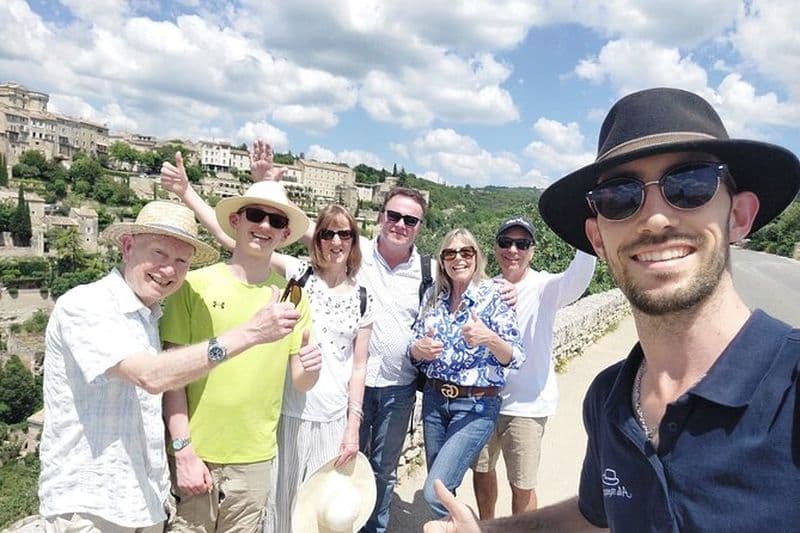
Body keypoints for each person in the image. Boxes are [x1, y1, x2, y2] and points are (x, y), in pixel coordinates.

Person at [424, 87, 800, 532]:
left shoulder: (790, 388)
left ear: (739, 216)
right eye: (620, 196)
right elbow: (591, 518)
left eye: (691, 184)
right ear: (598, 239)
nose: (656, 218)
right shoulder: (610, 400)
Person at [38, 201, 301, 532]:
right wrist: (250, 333)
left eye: (181, 261)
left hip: (143, 502)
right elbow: (151, 375)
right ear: (128, 245)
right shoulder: (86, 305)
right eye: (160, 254)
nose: (169, 270)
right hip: (92, 506)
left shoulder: (151, 317)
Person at [161, 147, 374, 533]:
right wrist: (188, 193)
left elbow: (331, 368)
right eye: (327, 233)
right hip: (279, 420)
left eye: (345, 234)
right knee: (282, 511)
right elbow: (232, 238)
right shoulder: (295, 280)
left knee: (316, 510)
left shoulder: (338, 295)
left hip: (306, 425)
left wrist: (328, 392)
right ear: (315, 240)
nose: (336, 241)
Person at [158, 180, 322, 532]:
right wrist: (183, 450)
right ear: (235, 220)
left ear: (284, 234)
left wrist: (311, 368)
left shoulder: (292, 300)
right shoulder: (193, 287)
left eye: (275, 222)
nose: (264, 226)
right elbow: (171, 378)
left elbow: (300, 380)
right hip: (195, 453)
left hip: (255, 460)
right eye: (256, 215)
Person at [472, 217, 596, 518]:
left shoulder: (545, 288)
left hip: (527, 406)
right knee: (482, 471)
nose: (513, 249)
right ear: (496, 247)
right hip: (483, 400)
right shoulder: (483, 289)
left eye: (522, 243)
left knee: (522, 485)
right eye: (506, 242)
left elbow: (578, 279)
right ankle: (487, 527)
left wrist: (588, 227)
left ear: (532, 251)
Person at [410, 228, 524, 518]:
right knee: (444, 493)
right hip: (435, 402)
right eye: (450, 253)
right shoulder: (433, 298)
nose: (457, 258)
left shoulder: (494, 295)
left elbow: (516, 356)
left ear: (477, 257)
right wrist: (418, 350)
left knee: (435, 492)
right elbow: (414, 350)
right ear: (442, 261)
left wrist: (489, 338)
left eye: (466, 252)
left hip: (475, 406)